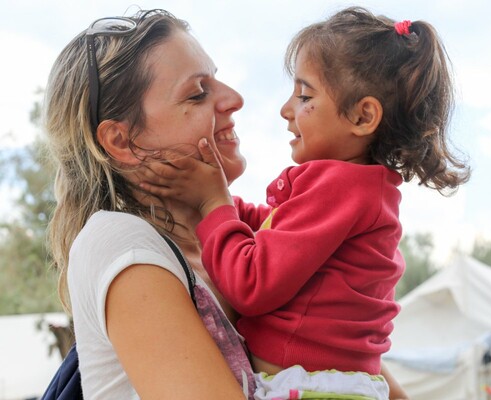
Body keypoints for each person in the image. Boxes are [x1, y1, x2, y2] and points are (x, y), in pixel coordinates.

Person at [140, 6, 470, 400]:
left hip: (308, 388)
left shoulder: (339, 186)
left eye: (304, 95)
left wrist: (213, 204)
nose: (286, 110)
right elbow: (278, 231)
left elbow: (252, 284)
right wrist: (216, 202)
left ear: (363, 116)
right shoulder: (361, 189)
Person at [44, 9, 256, 399]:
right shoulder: (122, 243)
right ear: (122, 142)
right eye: (197, 93)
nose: (234, 99)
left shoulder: (247, 244)